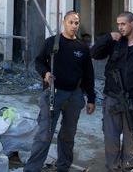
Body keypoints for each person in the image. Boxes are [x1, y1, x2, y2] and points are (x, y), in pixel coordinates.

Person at [25, 11, 96, 172]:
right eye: (70, 22)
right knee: (44, 135)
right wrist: (45, 73)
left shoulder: (82, 47)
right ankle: (31, 169)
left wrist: (91, 98)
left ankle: (63, 168)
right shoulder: (52, 42)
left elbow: (88, 75)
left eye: (76, 23)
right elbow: (39, 62)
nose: (73, 26)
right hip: (53, 95)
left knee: (68, 136)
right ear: (64, 22)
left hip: (74, 96)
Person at [91, 12, 133, 172]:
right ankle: (113, 168)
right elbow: (94, 53)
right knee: (111, 136)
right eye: (118, 24)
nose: (120, 27)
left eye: (123, 24)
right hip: (113, 96)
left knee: (131, 136)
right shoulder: (115, 42)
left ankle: (129, 167)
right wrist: (108, 37)